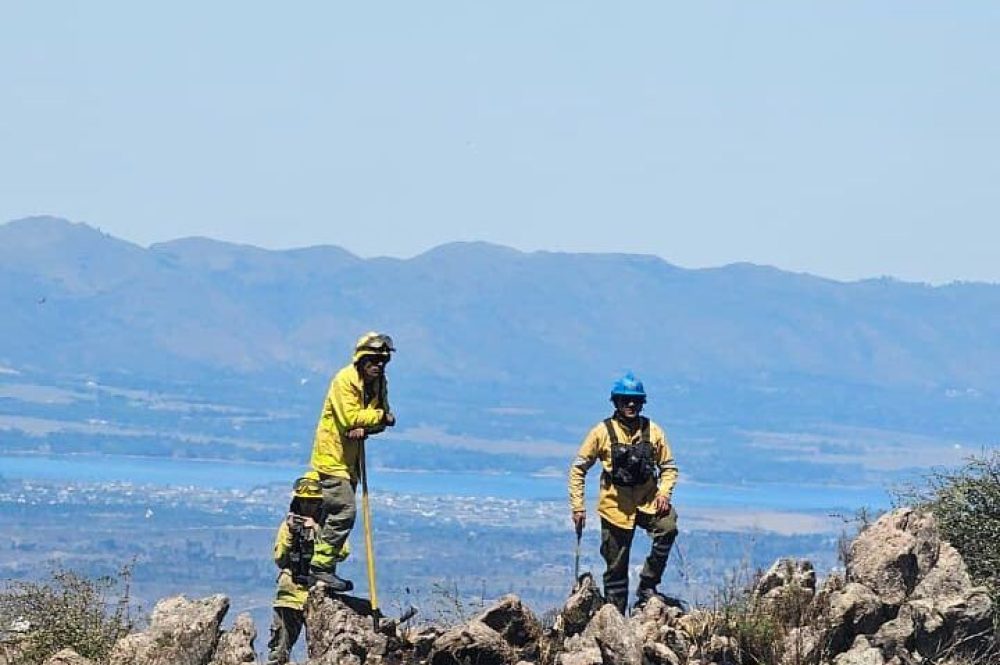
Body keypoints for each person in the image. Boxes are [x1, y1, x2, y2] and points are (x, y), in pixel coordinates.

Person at [568, 371, 679, 614]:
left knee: (668, 527)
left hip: (648, 502)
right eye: (625, 400)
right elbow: (578, 469)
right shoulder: (601, 432)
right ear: (616, 402)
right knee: (616, 567)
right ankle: (615, 616)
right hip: (615, 507)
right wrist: (578, 506)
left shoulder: (654, 432)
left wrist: (664, 493)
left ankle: (648, 585)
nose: (631, 405)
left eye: (636, 401)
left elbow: (669, 467)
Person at [307, 331, 396, 591]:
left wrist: (370, 423)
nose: (378, 366)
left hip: (351, 462)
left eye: (383, 361)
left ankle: (320, 568)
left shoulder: (379, 384)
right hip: (331, 459)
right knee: (344, 511)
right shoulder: (344, 380)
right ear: (361, 360)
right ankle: (320, 569)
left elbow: (382, 422)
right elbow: (351, 418)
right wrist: (377, 416)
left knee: (330, 518)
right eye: (373, 361)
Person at [266, 472, 332, 665]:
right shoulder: (288, 526)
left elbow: (342, 552)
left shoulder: (329, 527)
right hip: (289, 595)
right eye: (303, 501)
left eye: (312, 502)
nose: (307, 506)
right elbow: (279, 558)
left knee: (322, 652)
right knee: (279, 651)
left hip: (319, 594)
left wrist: (317, 531)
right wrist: (290, 533)